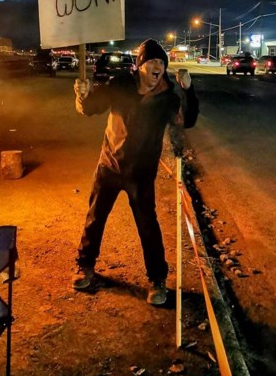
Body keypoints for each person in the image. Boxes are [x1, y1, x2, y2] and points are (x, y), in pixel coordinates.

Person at [71, 38, 199, 305]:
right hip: (110, 165)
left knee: (147, 225)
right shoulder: (120, 85)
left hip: (141, 173)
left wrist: (189, 91)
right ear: (140, 65)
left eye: (161, 63)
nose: (158, 66)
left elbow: (186, 120)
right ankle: (85, 267)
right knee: (95, 218)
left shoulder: (167, 98)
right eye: (152, 61)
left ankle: (157, 279)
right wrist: (82, 94)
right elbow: (90, 108)